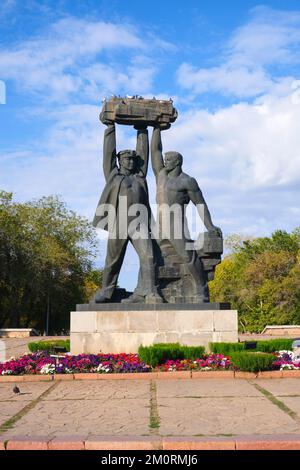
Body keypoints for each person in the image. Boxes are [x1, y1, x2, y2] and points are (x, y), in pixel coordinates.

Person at [93, 120, 162, 303]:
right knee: (113, 260)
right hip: (119, 223)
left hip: (138, 223)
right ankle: (106, 291)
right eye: (126, 159)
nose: (131, 162)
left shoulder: (139, 177)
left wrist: (142, 130)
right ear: (120, 161)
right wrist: (110, 128)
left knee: (148, 256)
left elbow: (143, 156)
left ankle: (151, 291)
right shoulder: (113, 176)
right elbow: (108, 155)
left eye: (132, 159)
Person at [151, 126, 222, 301]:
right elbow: (155, 151)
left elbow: (200, 205)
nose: (165, 162)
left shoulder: (187, 181)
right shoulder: (161, 176)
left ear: (177, 162)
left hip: (176, 226)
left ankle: (201, 289)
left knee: (188, 257)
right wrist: (157, 129)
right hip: (158, 226)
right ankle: (152, 292)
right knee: (151, 258)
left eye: (169, 159)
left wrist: (210, 226)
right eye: (165, 159)